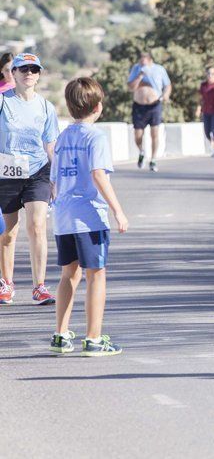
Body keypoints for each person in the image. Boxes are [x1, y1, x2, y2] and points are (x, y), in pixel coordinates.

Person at [49, 77, 128, 356]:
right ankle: (93, 338)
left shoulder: (63, 138)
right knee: (96, 274)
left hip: (63, 215)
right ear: (97, 107)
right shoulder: (96, 137)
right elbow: (98, 174)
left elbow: (54, 180)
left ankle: (60, 334)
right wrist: (117, 210)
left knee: (69, 273)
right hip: (89, 216)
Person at [0, 53, 60, 306]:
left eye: (34, 70)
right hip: (7, 169)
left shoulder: (46, 107)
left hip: (38, 171)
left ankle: (40, 286)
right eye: (23, 69)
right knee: (9, 233)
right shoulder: (3, 102)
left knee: (37, 226)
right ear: (12, 74)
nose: (29, 74)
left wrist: (56, 177)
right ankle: (6, 283)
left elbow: (51, 144)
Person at [127, 52, 171, 172]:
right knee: (137, 135)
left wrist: (166, 95)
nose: (142, 64)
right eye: (140, 61)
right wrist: (140, 75)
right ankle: (141, 151)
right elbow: (130, 87)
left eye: (144, 61)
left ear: (150, 60)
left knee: (154, 133)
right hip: (139, 106)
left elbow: (167, 85)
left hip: (154, 105)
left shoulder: (159, 69)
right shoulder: (136, 69)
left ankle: (153, 159)